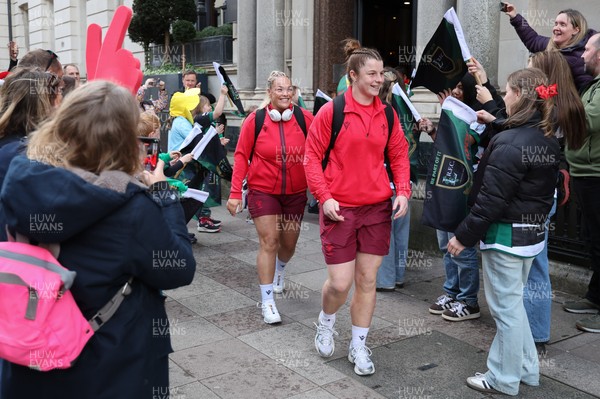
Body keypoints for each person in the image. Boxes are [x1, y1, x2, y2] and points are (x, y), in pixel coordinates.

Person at [0, 80, 196, 398]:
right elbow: (179, 268)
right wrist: (165, 195)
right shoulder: (130, 208)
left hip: (28, 359)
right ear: (124, 141)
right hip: (108, 366)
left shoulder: (21, 179)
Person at [448, 67, 560, 395]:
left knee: (505, 311)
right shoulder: (545, 136)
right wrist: (495, 122)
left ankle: (503, 379)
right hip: (529, 236)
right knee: (513, 307)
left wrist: (462, 236)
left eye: (508, 91)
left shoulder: (511, 142)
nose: (503, 97)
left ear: (520, 96)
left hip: (505, 236)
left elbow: (491, 200)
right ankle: (526, 369)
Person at [304, 47, 410, 376]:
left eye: (382, 74)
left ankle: (359, 344)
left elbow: (399, 154)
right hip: (340, 209)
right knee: (340, 283)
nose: (380, 79)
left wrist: (403, 191)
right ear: (353, 76)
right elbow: (310, 158)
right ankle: (326, 321)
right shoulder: (332, 112)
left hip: (377, 207)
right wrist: (324, 197)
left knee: (367, 280)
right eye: (372, 74)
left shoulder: (388, 114)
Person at [226, 70, 314, 324]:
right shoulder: (255, 121)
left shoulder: (304, 118)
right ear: (269, 92)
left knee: (288, 244)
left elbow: (321, 149)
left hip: (296, 192)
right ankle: (267, 302)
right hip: (263, 190)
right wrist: (234, 194)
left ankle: (280, 271)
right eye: (280, 89)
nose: (286, 94)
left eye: (289, 89)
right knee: (269, 241)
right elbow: (241, 156)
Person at [428, 66, 504, 322]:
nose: (457, 92)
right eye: (456, 87)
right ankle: (451, 291)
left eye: (462, 88)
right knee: (444, 243)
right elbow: (444, 145)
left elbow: (464, 143)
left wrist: (452, 115)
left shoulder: (477, 117)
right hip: (445, 185)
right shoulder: (456, 114)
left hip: (464, 188)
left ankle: (468, 300)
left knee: (462, 245)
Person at [523, 50, 588, 349]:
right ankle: (531, 328)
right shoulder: (562, 100)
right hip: (544, 191)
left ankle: (534, 331)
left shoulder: (551, 105)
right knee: (536, 260)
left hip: (537, 192)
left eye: (531, 68)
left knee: (534, 262)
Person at [563, 33, 600, 333]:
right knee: (592, 239)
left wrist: (560, 97)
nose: (582, 56)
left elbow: (584, 122)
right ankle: (595, 297)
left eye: (587, 50)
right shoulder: (592, 88)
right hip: (584, 173)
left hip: (596, 176)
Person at [375, 67, 412, 291]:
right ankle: (398, 276)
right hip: (403, 182)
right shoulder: (406, 110)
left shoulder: (382, 113)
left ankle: (385, 280)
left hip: (384, 180)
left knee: (383, 232)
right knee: (400, 232)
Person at [503, 4, 597, 91]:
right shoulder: (551, 45)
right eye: (555, 24)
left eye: (562, 24)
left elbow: (586, 91)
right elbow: (532, 39)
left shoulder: (582, 57)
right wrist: (515, 17)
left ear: (576, 30)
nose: (556, 28)